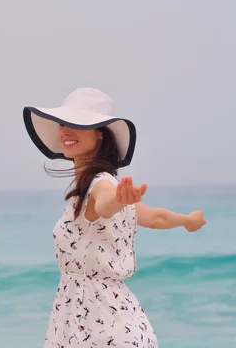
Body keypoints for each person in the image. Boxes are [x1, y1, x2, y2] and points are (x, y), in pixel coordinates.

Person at [23, 87, 206, 347]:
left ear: (100, 135)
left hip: (99, 328)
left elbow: (105, 203)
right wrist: (188, 220)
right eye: (63, 123)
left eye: (78, 124)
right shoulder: (90, 187)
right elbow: (155, 218)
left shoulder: (101, 185)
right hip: (103, 318)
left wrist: (118, 200)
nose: (66, 130)